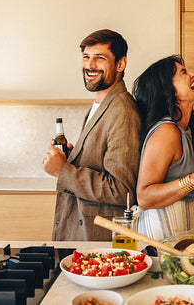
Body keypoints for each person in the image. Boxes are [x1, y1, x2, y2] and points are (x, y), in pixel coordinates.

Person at [42, 29, 141, 241]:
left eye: (100, 58)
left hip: (99, 240)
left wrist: (64, 171)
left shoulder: (122, 111)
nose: (90, 65)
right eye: (86, 57)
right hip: (82, 232)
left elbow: (121, 190)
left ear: (121, 64)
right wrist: (71, 159)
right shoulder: (101, 104)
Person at [132, 55, 194, 240]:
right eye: (183, 72)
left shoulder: (181, 129)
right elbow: (144, 197)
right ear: (167, 91)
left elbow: (180, 159)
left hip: (175, 235)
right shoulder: (166, 131)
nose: (192, 74)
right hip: (157, 239)